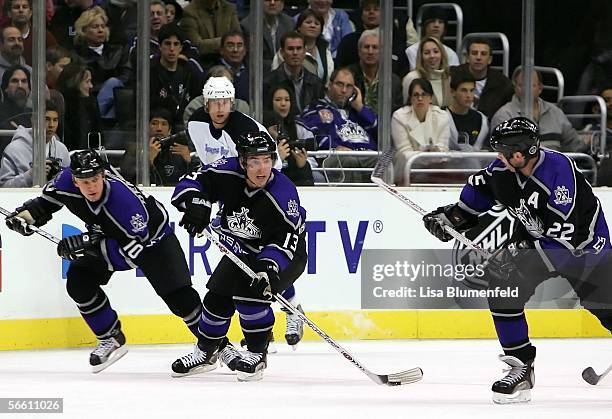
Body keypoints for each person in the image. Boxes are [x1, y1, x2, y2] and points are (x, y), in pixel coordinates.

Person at [422, 116, 612, 403]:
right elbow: (478, 194)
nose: (499, 157)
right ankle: (520, 367)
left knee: (603, 307)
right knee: (503, 290)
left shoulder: (559, 173)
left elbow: (565, 240)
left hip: (585, 249)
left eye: (503, 151)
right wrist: (451, 218)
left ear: (520, 153)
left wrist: (520, 254)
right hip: (539, 241)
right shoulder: (504, 168)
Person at [4, 149, 241, 373]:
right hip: (110, 235)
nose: (91, 186)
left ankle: (219, 347)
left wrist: (87, 244)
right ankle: (110, 337)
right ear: (74, 180)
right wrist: (24, 217)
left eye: (95, 179)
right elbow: (45, 204)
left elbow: (131, 253)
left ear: (103, 175)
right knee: (78, 281)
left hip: (153, 240)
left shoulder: (124, 202)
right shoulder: (65, 181)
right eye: (84, 182)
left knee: (180, 299)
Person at [170, 131, 307, 381]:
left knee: (250, 296)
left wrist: (269, 267)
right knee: (216, 300)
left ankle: (257, 355)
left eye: (267, 160)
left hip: (285, 255)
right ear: (242, 162)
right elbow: (193, 180)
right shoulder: (227, 171)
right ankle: (206, 352)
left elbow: (286, 240)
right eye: (254, 161)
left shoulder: (283, 194)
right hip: (242, 249)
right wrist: (195, 203)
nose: (262, 168)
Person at [188, 75, 305, 345]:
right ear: (206, 104)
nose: (220, 108)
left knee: (263, 259)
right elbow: (211, 167)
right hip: (229, 196)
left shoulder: (246, 129)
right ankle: (278, 318)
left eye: (225, 101)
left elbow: (272, 171)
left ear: (232, 102)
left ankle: (290, 310)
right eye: (214, 102)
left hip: (258, 199)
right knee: (246, 264)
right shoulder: (195, 123)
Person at [300, 67, 378, 183]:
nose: (344, 90)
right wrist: (335, 147)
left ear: (355, 90)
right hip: (333, 157)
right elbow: (317, 138)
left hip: (364, 155)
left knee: (386, 159)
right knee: (349, 160)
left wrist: (360, 107)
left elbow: (380, 132)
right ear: (329, 85)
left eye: (349, 86)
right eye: (340, 84)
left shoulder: (359, 111)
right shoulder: (316, 108)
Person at [491, 69, 587, 152]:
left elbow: (574, 144)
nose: (525, 90)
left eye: (531, 86)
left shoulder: (555, 112)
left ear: (540, 88)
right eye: (521, 85)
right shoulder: (503, 115)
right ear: (514, 87)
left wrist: (588, 141)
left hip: (554, 169)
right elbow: (504, 152)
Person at [391, 78, 449, 185]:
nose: (420, 98)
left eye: (424, 94)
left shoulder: (442, 116)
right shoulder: (399, 117)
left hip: (436, 170)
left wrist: (436, 151)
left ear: (431, 98)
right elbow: (404, 153)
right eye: (416, 95)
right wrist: (427, 153)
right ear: (410, 98)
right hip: (408, 171)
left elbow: (444, 150)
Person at [120, 108, 198, 186]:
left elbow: (195, 181)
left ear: (169, 129)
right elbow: (128, 178)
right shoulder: (134, 150)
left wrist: (190, 161)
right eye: (154, 123)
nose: (159, 129)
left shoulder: (180, 150)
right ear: (146, 127)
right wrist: (148, 161)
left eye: (164, 124)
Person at [0, 100, 69, 187]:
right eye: (46, 119)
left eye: (55, 120)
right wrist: (29, 175)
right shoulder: (14, 150)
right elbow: (3, 187)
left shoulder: (62, 150)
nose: (51, 125)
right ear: (34, 120)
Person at [264, 83, 316, 185]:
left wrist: (302, 166)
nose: (283, 104)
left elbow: (306, 182)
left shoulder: (298, 128)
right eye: (278, 100)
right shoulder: (261, 130)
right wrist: (277, 160)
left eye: (287, 100)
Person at [450, 38, 513, 120]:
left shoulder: (502, 83)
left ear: (490, 60)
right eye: (474, 53)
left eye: (483, 54)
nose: (478, 57)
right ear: (467, 58)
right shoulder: (452, 75)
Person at [263, 31, 325, 114]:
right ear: (282, 52)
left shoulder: (315, 82)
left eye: (299, 48)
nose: (295, 53)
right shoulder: (269, 82)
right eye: (290, 49)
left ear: (304, 52)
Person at [272, 9, 333, 85]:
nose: (312, 26)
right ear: (299, 27)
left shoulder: (325, 51)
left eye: (317, 23)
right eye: (308, 22)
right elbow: (275, 76)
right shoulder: (286, 49)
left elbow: (328, 79)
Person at [240, 0, 293, 74]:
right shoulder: (248, 26)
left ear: (282, 3)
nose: (272, 3)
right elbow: (251, 60)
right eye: (267, 0)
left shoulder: (289, 23)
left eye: (276, 0)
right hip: (261, 75)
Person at [404, 6, 459, 71]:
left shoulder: (451, 54)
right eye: (432, 21)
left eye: (440, 22)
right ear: (425, 25)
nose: (436, 25)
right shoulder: (411, 51)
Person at [402, 36, 451, 107]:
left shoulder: (448, 77)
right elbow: (405, 106)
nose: (432, 56)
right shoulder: (412, 77)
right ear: (421, 56)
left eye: (436, 51)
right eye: (427, 53)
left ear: (442, 54)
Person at [446, 73, 489, 151]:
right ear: (452, 92)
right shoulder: (441, 117)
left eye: (472, 90)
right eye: (464, 90)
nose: (469, 95)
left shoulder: (481, 119)